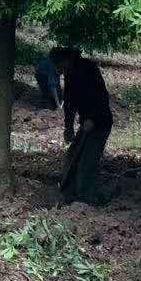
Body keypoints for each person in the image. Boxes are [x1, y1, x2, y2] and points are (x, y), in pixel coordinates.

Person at [51, 46, 112, 203]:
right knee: (73, 156)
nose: (59, 70)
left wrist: (92, 118)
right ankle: (69, 192)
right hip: (86, 122)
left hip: (100, 122)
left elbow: (100, 96)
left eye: (59, 65)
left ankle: (87, 198)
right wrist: (68, 127)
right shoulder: (70, 73)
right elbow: (70, 103)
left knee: (88, 160)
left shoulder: (88, 69)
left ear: (67, 60)